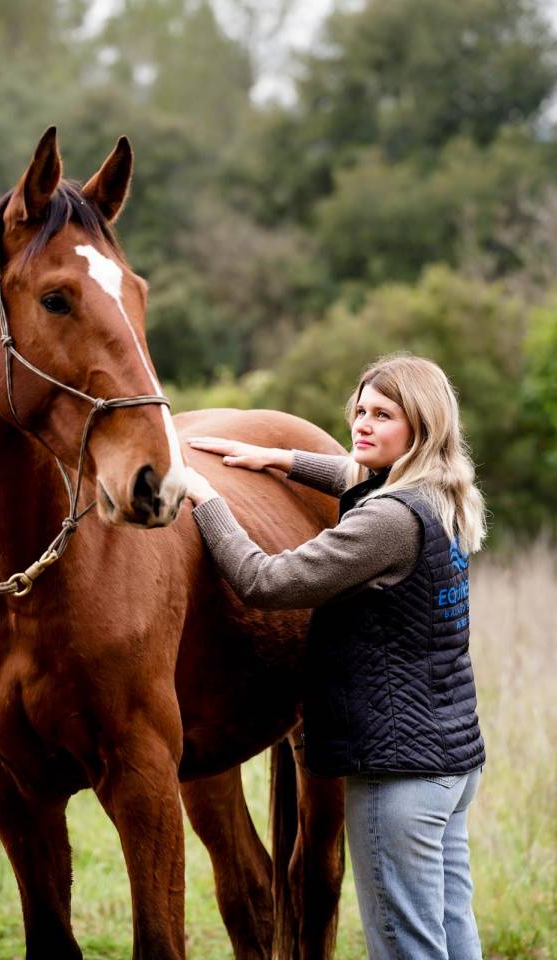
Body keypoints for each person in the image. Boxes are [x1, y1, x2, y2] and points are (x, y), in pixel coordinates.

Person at [184, 353, 485, 960]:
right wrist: (285, 460)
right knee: (454, 933)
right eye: (360, 410)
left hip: (397, 776)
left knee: (407, 945)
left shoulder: (387, 523)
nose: (362, 425)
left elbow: (265, 583)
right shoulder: (442, 494)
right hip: (451, 761)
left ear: (420, 428)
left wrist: (207, 497)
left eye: (383, 415)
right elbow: (356, 476)